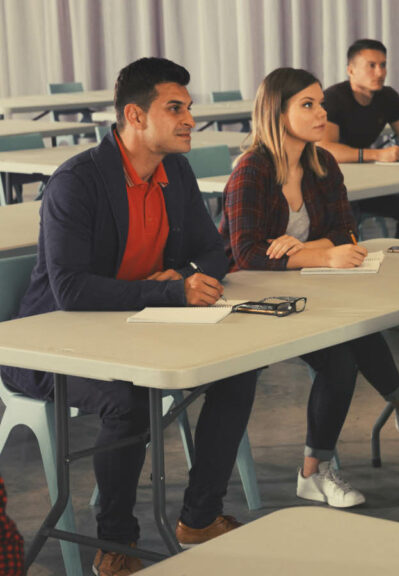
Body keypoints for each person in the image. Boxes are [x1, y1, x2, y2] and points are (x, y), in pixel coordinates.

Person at [0, 58, 257, 575]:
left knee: (238, 370)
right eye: (175, 108)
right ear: (135, 116)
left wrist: (176, 277)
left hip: (137, 328)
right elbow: (69, 290)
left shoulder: (175, 171)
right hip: (54, 344)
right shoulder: (78, 182)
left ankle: (198, 518)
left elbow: (215, 252)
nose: (190, 118)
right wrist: (165, 292)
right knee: (130, 398)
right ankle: (115, 542)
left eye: (189, 107)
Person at [222, 67, 399, 508]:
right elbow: (246, 257)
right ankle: (318, 470)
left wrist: (304, 248)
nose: (322, 113)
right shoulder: (251, 172)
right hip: (252, 299)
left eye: (321, 103)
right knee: (338, 362)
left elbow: (347, 235)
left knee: (358, 326)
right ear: (277, 113)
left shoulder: (322, 163)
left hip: (309, 290)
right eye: (308, 105)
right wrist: (320, 254)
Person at [318, 39, 399, 240]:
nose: (380, 72)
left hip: (365, 182)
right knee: (348, 215)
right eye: (371, 66)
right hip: (330, 186)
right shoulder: (333, 98)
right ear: (351, 70)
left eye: (383, 65)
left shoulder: (388, 97)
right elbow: (325, 149)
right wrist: (377, 154)